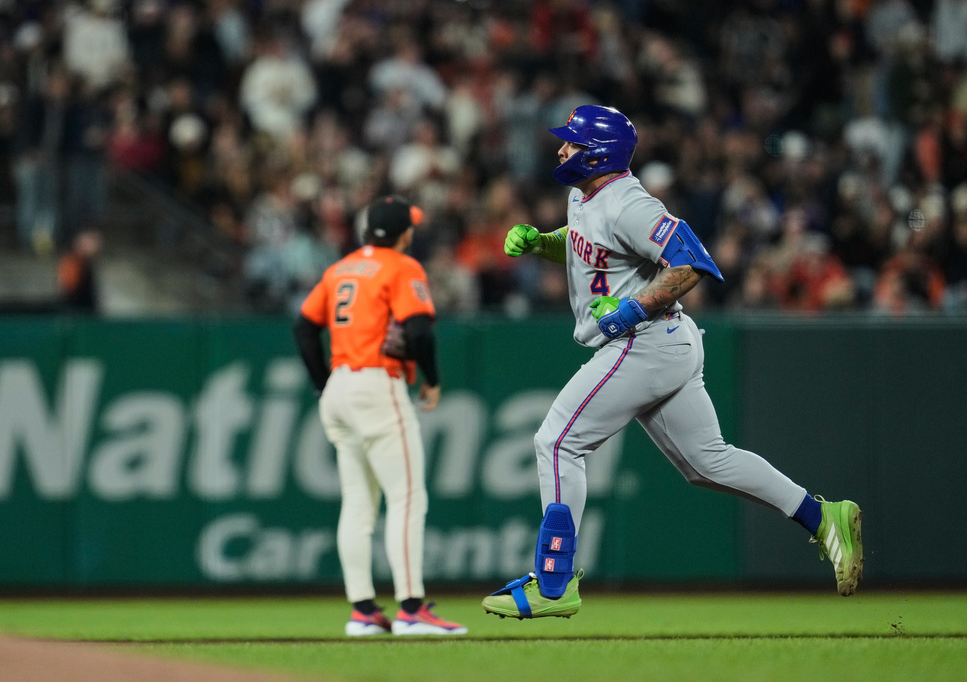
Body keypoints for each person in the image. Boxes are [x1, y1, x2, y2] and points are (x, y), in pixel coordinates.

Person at [482, 105, 864, 619]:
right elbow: (593, 255)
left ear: (598, 152)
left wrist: (633, 308)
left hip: (643, 341)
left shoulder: (628, 203)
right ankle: (822, 516)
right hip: (665, 341)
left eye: (571, 142)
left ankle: (553, 582)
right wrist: (543, 244)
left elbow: (694, 260)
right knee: (709, 462)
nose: (561, 149)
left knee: (557, 440)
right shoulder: (582, 194)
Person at [293, 196, 467, 636]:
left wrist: (321, 383)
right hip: (376, 384)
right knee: (408, 498)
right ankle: (410, 609)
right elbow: (419, 329)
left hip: (340, 387)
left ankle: (363, 611)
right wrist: (432, 378)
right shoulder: (402, 266)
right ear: (404, 233)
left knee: (358, 503)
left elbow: (304, 327)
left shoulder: (341, 268)